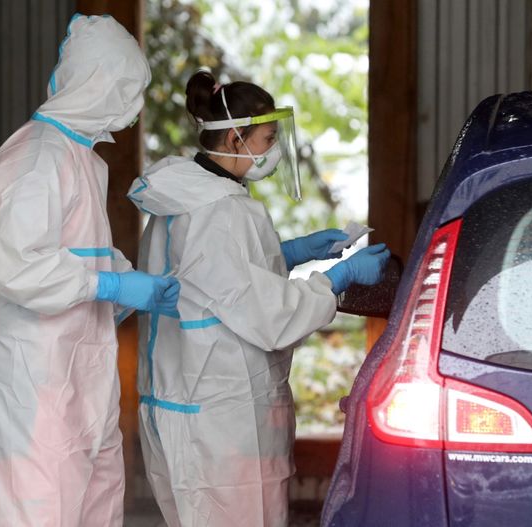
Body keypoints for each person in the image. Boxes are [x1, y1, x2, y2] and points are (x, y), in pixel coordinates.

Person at [128, 70, 390, 527]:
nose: (274, 151)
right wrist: (337, 278)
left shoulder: (186, 197)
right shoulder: (222, 210)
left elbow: (212, 279)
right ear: (235, 138)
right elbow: (269, 316)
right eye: (268, 139)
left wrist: (290, 253)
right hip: (221, 416)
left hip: (184, 404)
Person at [0, 14, 180, 526]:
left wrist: (129, 285)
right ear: (97, 83)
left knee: (97, 509)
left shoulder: (80, 158)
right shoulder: (36, 158)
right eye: (127, 89)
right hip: (33, 385)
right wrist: (111, 284)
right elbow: (18, 267)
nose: (133, 106)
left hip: (81, 377)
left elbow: (85, 253)